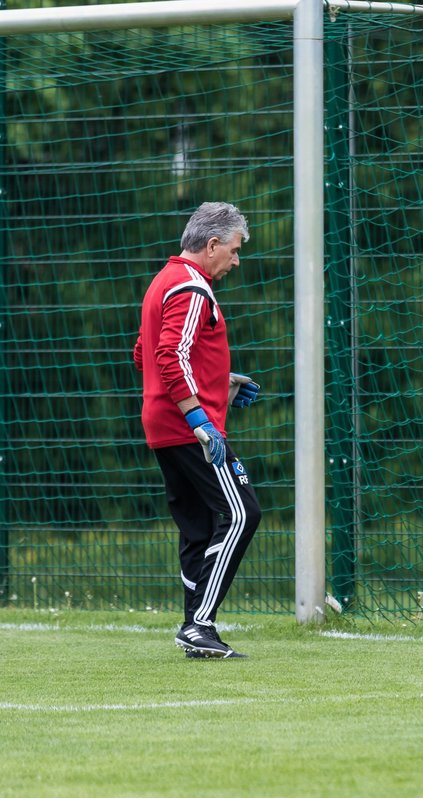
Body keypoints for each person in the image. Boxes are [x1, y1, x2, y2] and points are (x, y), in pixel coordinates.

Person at [133, 202, 263, 659]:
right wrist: (200, 419)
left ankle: (197, 632)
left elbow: (143, 354)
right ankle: (199, 624)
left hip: (163, 426)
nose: (236, 259)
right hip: (189, 430)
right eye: (233, 249)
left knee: (199, 527)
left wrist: (218, 381)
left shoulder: (162, 282)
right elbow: (168, 356)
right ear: (211, 245)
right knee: (242, 514)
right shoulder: (192, 287)